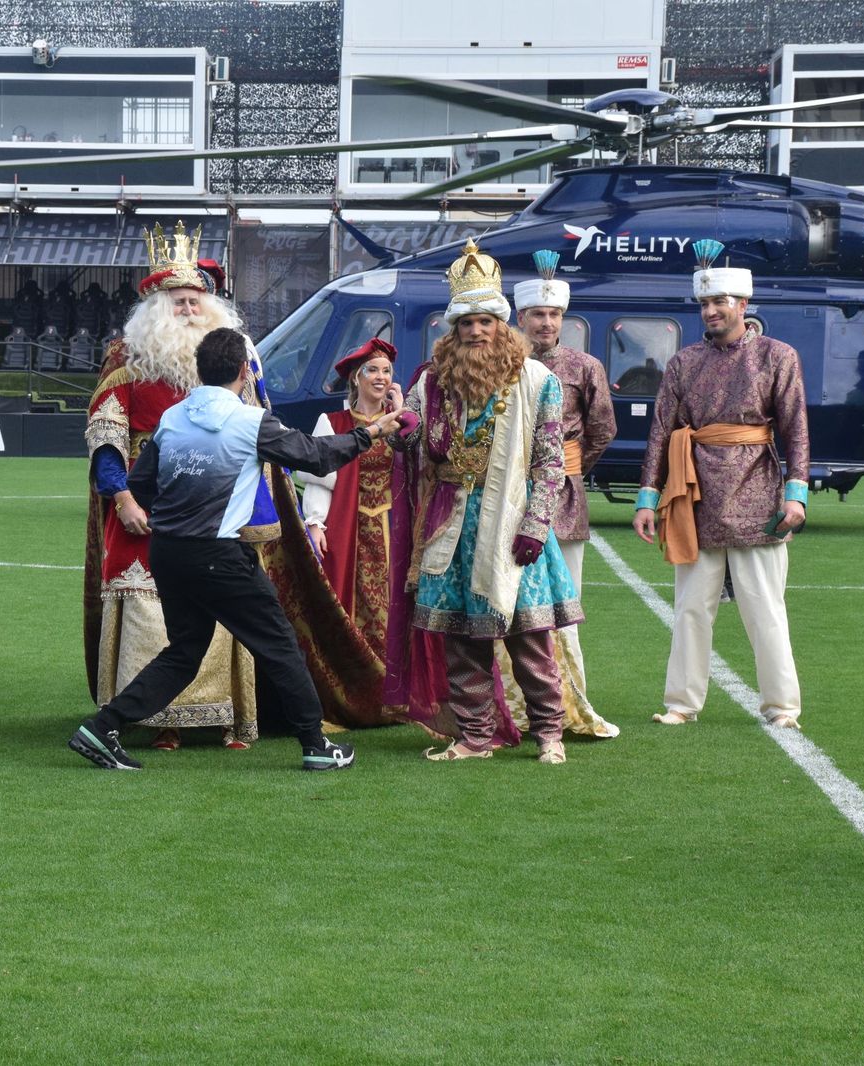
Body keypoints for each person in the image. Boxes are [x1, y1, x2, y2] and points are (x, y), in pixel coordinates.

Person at [69, 327, 403, 772]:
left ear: (198, 370)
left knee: (184, 653)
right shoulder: (250, 421)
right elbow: (316, 456)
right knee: (280, 646)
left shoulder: (173, 418)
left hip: (168, 553)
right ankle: (316, 745)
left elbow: (142, 485)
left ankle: (102, 727)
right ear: (245, 371)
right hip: (219, 555)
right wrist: (373, 431)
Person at [85, 222, 276, 751]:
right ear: (155, 309)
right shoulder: (125, 358)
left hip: (218, 500)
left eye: (195, 301)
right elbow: (106, 436)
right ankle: (159, 719)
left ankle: (225, 716)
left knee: (225, 605)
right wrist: (122, 498)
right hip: (146, 499)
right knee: (150, 610)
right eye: (178, 302)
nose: (189, 310)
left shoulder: (234, 359)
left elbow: (258, 430)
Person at [391, 239, 581, 764]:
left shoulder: (538, 380)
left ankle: (550, 734)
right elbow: (412, 438)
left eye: (485, 322)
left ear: (502, 325)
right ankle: (474, 737)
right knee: (461, 642)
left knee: (529, 638)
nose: (476, 332)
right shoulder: (432, 381)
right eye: (466, 324)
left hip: (513, 523)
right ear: (453, 330)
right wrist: (401, 425)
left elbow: (550, 462)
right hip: (450, 525)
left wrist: (536, 524)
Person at [633, 239, 809, 730]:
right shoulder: (683, 362)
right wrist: (647, 498)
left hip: (759, 494)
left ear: (743, 304)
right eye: (705, 303)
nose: (711, 310)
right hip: (694, 497)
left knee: (764, 608)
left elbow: (795, 428)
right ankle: (681, 703)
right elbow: (661, 432)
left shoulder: (778, 356)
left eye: (720, 302)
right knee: (691, 607)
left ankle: (782, 706)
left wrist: (796, 494)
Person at [512, 251, 620, 739]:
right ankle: (510, 703)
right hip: (507, 496)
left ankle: (571, 700)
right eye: (538, 314)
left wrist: (568, 471)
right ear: (521, 317)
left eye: (554, 314)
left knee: (563, 605)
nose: (547, 323)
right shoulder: (504, 364)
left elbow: (603, 429)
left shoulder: (585, 365)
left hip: (563, 499)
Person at [300, 338, 401, 657]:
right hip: (348, 526)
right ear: (356, 378)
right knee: (347, 601)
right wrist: (315, 523)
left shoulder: (400, 421)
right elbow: (321, 481)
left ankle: (390, 674)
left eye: (386, 371)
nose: (381, 377)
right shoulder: (334, 423)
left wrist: (404, 415)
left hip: (392, 526)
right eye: (373, 370)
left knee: (393, 602)